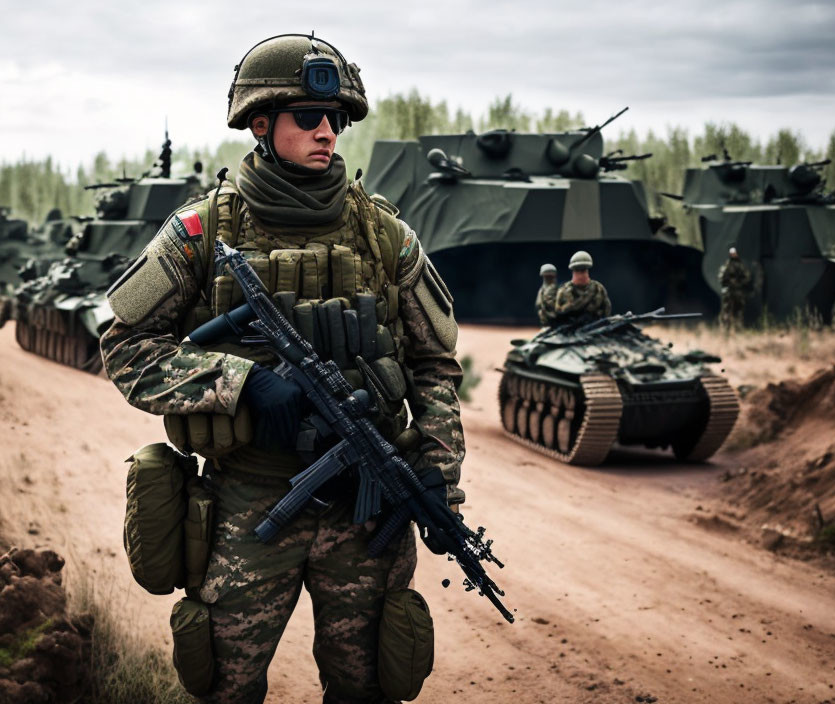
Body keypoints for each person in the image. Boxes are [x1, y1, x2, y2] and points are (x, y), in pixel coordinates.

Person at [100, 34, 465, 704]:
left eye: (338, 120)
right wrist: (239, 383)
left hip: (367, 508)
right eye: (308, 117)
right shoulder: (200, 232)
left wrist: (438, 471)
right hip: (250, 501)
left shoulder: (385, 234)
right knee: (225, 686)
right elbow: (123, 349)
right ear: (261, 124)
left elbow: (436, 365)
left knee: (372, 685)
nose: (328, 132)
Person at [554, 250, 611, 322]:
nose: (580, 276)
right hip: (570, 330)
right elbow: (557, 312)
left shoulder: (598, 289)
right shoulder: (564, 291)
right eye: (577, 271)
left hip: (595, 328)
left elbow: (606, 310)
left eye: (583, 271)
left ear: (587, 271)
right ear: (573, 272)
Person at [719, 246, 751, 330]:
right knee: (726, 312)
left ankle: (737, 328)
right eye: (732, 253)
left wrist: (738, 282)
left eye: (734, 253)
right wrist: (730, 281)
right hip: (729, 291)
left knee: (738, 311)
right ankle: (725, 329)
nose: (733, 255)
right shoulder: (727, 266)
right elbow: (721, 278)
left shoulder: (741, 266)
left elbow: (747, 277)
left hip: (738, 292)